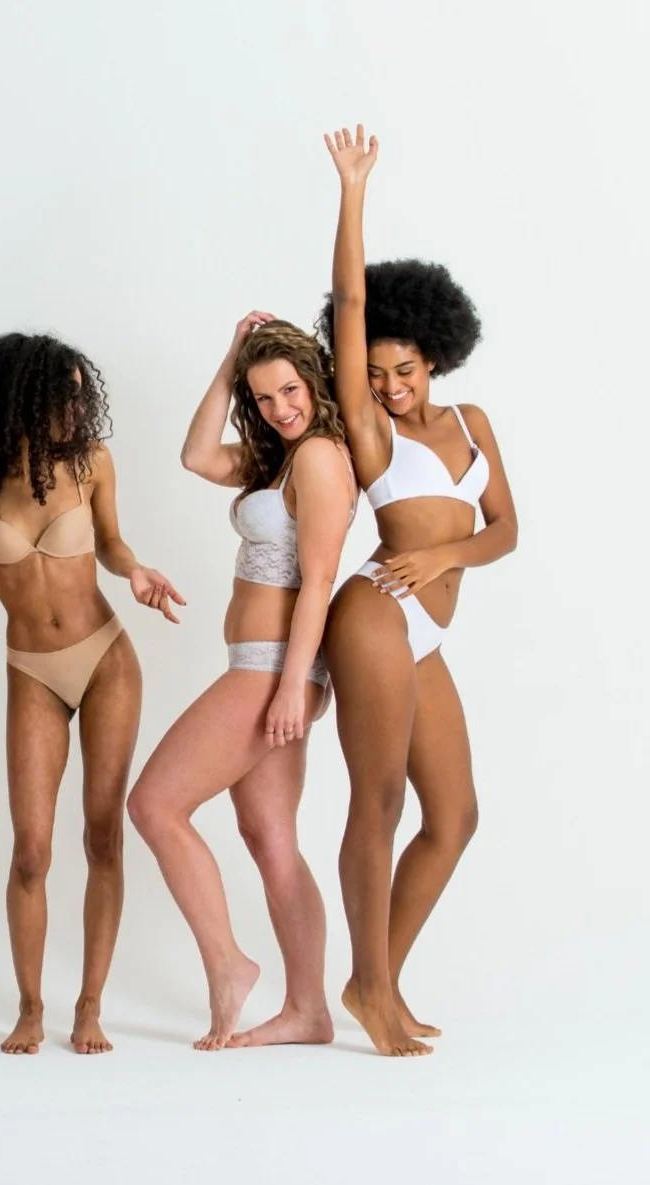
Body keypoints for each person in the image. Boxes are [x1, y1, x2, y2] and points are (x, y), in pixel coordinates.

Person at [0, 332, 182, 1055]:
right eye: (60, 394)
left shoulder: (92, 462)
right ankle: (30, 1006)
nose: (75, 407)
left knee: (102, 833)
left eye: (78, 392)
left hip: (105, 660)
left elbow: (112, 543)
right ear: (20, 400)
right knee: (31, 851)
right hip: (30, 670)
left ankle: (89, 1006)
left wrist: (136, 571)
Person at [319, 125, 518, 1056]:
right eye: (373, 375)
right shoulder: (372, 435)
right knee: (382, 801)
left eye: (404, 370)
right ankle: (372, 993)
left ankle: (374, 984)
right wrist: (354, 190)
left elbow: (506, 530)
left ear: (436, 358)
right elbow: (352, 299)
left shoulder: (472, 422)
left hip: (425, 621)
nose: (390, 386)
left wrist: (448, 559)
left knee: (456, 817)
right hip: (373, 612)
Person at [128, 313, 355, 1050]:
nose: (279, 407)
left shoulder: (319, 455)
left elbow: (318, 579)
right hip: (261, 666)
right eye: (262, 398)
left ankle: (229, 964)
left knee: (154, 803)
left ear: (313, 383)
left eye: (289, 389)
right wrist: (232, 358)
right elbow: (196, 454)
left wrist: (294, 686)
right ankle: (308, 1010)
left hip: (271, 669)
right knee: (270, 836)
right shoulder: (277, 459)